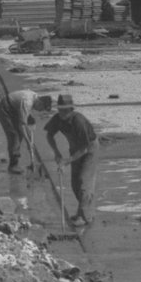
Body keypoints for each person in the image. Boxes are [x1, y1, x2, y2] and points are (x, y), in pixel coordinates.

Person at [44, 96, 100, 225]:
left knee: (84, 181)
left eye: (65, 110)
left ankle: (84, 216)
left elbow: (85, 147)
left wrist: (67, 161)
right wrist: (57, 153)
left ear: (71, 109)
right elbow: (49, 135)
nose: (62, 113)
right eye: (60, 110)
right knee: (75, 184)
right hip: (75, 148)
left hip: (89, 149)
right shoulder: (57, 119)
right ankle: (86, 212)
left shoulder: (78, 121)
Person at [0, 90, 54, 172]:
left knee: (22, 131)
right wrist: (28, 142)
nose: (40, 111)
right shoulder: (27, 102)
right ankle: (13, 165)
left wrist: (30, 137)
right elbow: (22, 125)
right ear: (40, 102)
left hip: (14, 108)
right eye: (41, 109)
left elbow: (25, 119)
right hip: (5, 109)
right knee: (14, 135)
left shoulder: (35, 97)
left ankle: (20, 161)